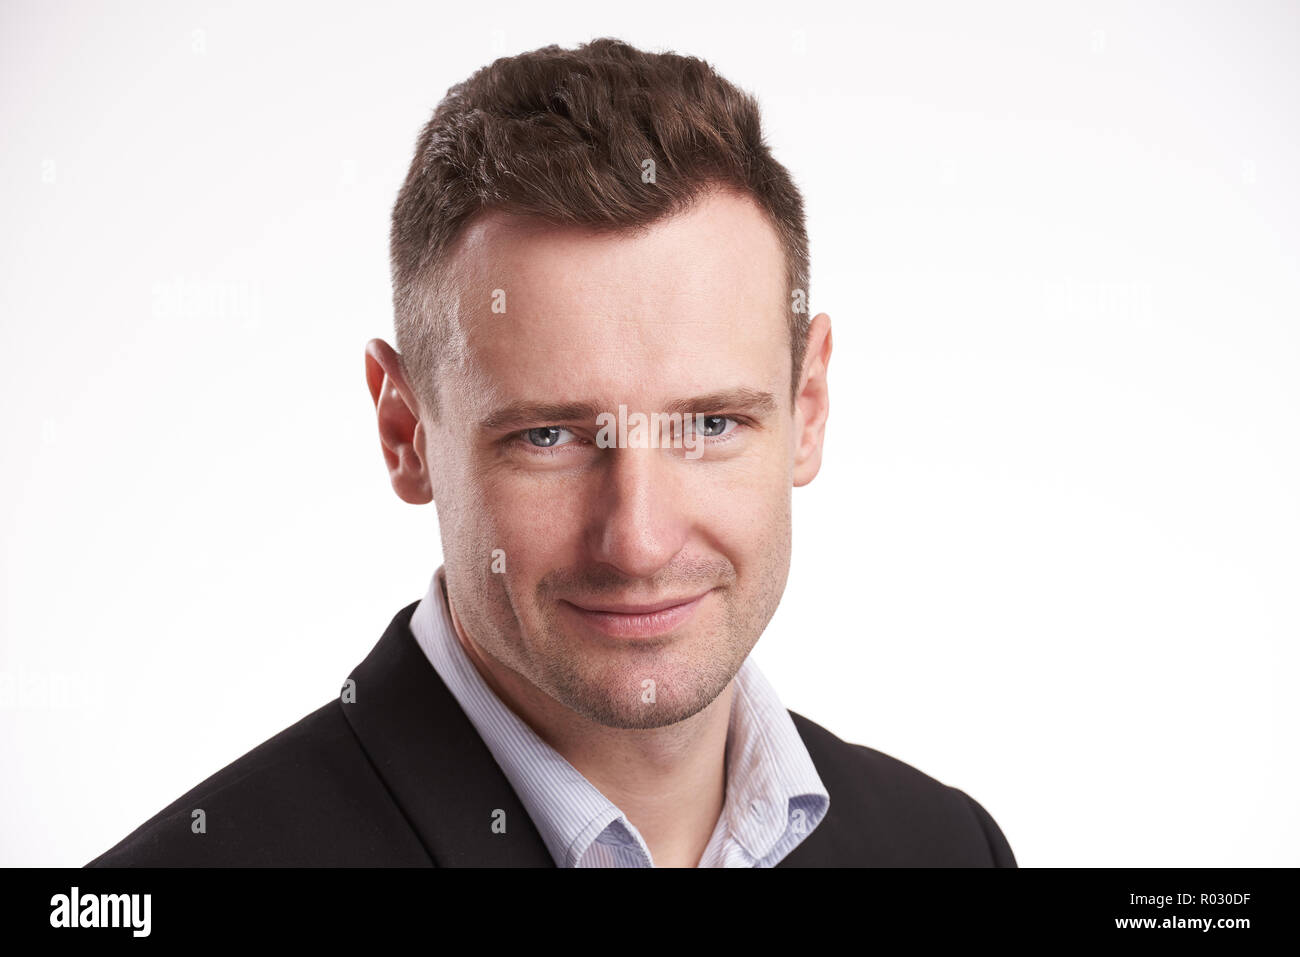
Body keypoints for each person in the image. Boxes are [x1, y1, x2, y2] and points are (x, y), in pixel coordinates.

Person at [87, 37, 1015, 868]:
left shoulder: (946, 848)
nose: (640, 542)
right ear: (405, 431)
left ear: (807, 407)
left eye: (710, 424)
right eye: (549, 435)